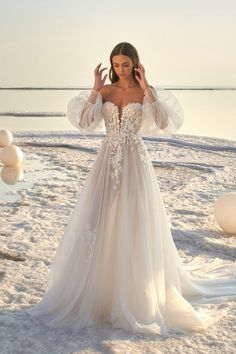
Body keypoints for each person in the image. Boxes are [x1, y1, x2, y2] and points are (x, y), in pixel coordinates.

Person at [26, 42, 236, 335]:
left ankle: (135, 290)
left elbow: (164, 122)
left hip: (136, 162)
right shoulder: (106, 92)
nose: (120, 69)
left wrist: (147, 86)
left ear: (135, 64)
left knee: (135, 219)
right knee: (101, 218)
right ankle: (101, 288)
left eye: (125, 64)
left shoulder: (144, 93)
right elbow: (85, 122)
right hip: (107, 160)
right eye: (116, 64)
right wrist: (95, 87)